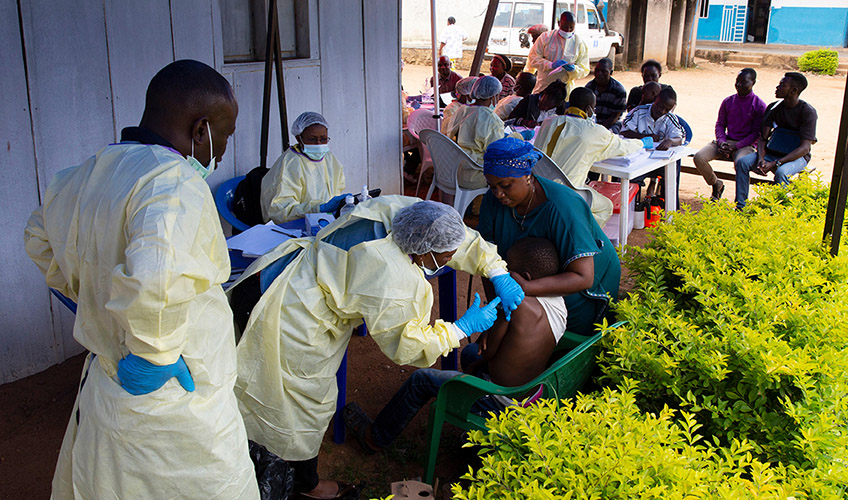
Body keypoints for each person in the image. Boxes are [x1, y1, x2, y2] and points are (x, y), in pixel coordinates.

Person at [23, 60, 259, 499]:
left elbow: (38, 238)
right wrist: (154, 355)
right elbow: (155, 277)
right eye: (224, 137)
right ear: (201, 129)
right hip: (172, 409)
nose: (223, 152)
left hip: (105, 391)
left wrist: (91, 295)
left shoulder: (86, 173)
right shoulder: (173, 184)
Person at [233, 197, 525, 499]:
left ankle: (279, 469)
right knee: (296, 405)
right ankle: (298, 484)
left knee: (270, 391)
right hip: (288, 315)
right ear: (424, 251)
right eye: (446, 257)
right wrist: (459, 329)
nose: (451, 259)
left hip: (272, 274)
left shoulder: (397, 212)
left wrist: (496, 269)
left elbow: (455, 237)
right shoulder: (392, 277)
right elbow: (406, 346)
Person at [341, 237, 567, 453]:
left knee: (420, 380)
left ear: (525, 276)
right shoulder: (558, 304)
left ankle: (374, 438)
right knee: (469, 352)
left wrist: (481, 349)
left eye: (509, 270)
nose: (504, 273)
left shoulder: (513, 305)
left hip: (499, 400)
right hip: (529, 393)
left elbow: (486, 352)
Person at [478, 137, 621, 336]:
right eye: (492, 186)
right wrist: (498, 308)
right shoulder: (491, 202)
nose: (498, 194)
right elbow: (486, 260)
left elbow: (583, 277)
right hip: (527, 286)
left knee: (561, 343)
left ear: (527, 175)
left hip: (580, 291)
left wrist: (526, 287)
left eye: (506, 185)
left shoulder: (562, 208)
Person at [534, 87, 644, 226]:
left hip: (537, 187)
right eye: (594, 107)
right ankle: (582, 238)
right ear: (588, 109)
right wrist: (642, 143)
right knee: (605, 207)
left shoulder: (549, 122)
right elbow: (622, 147)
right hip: (566, 193)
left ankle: (566, 227)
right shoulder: (594, 131)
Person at [734, 72, 817, 209]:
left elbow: (805, 148)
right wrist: (761, 159)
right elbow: (763, 138)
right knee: (743, 163)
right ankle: (741, 206)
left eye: (782, 85)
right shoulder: (774, 108)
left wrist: (776, 163)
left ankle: (777, 209)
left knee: (781, 172)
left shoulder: (808, 112)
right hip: (771, 153)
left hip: (796, 157)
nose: (777, 87)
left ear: (794, 90)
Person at [261, 112, 350, 224]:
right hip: (294, 225)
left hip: (324, 220)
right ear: (299, 138)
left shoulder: (329, 159)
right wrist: (319, 208)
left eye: (323, 139)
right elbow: (280, 211)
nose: (318, 143)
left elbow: (337, 189)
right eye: (312, 139)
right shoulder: (290, 164)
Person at [693, 68, 767, 201]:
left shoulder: (759, 105)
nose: (739, 85)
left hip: (746, 145)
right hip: (726, 141)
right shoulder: (728, 101)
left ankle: (740, 202)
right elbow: (720, 124)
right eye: (737, 81)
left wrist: (736, 146)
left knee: (741, 164)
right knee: (699, 157)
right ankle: (716, 184)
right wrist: (721, 141)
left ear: (753, 82)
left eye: (744, 82)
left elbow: (757, 133)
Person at [620, 87, 685, 200]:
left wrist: (670, 141)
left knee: (673, 167)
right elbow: (624, 132)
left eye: (666, 109)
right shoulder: (638, 112)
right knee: (627, 177)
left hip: (659, 161)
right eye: (660, 106)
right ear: (655, 99)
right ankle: (630, 209)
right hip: (638, 160)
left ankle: (670, 207)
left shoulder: (669, 118)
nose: (662, 111)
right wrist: (644, 137)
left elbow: (679, 139)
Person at [443, 75, 506, 189]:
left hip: (453, 169)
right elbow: (496, 152)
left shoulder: (461, 111)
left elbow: (448, 135)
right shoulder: (492, 119)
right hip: (474, 175)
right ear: (494, 96)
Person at [527, 11, 589, 97]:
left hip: (565, 90)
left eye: (571, 27)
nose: (568, 30)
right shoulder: (546, 37)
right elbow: (533, 58)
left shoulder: (579, 43)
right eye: (564, 26)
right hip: (544, 86)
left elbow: (584, 69)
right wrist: (550, 65)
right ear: (559, 23)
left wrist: (574, 69)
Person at [584, 57, 627, 129]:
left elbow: (615, 116)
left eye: (604, 71)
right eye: (597, 70)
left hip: (611, 124)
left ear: (611, 72)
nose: (599, 74)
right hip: (591, 122)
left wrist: (600, 130)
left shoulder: (619, 90)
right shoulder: (589, 88)